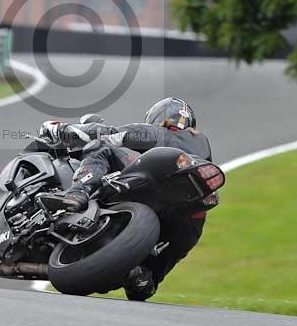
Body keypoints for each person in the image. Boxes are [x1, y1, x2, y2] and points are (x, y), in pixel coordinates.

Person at [36, 97, 213, 301]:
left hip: (168, 192)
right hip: (192, 218)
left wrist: (65, 130)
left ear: (160, 118)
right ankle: (142, 278)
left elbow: (113, 134)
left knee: (101, 145)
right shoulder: (202, 145)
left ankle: (78, 191)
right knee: (151, 277)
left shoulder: (166, 133)